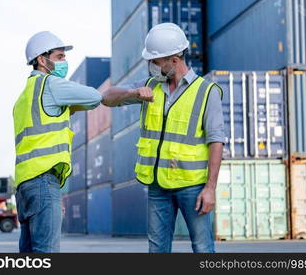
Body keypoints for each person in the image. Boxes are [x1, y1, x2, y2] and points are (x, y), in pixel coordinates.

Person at [102, 23, 225, 253]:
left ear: (173, 59)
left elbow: (216, 142)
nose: (152, 67)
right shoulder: (149, 86)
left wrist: (210, 188)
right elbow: (106, 98)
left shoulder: (206, 92)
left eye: (155, 62)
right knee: (157, 250)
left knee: (202, 248)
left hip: (192, 187)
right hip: (157, 186)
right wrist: (132, 93)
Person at [13, 31, 102, 252]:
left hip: (25, 185)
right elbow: (93, 97)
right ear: (42, 60)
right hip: (44, 181)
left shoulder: (22, 99)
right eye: (60, 57)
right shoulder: (51, 85)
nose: (65, 62)